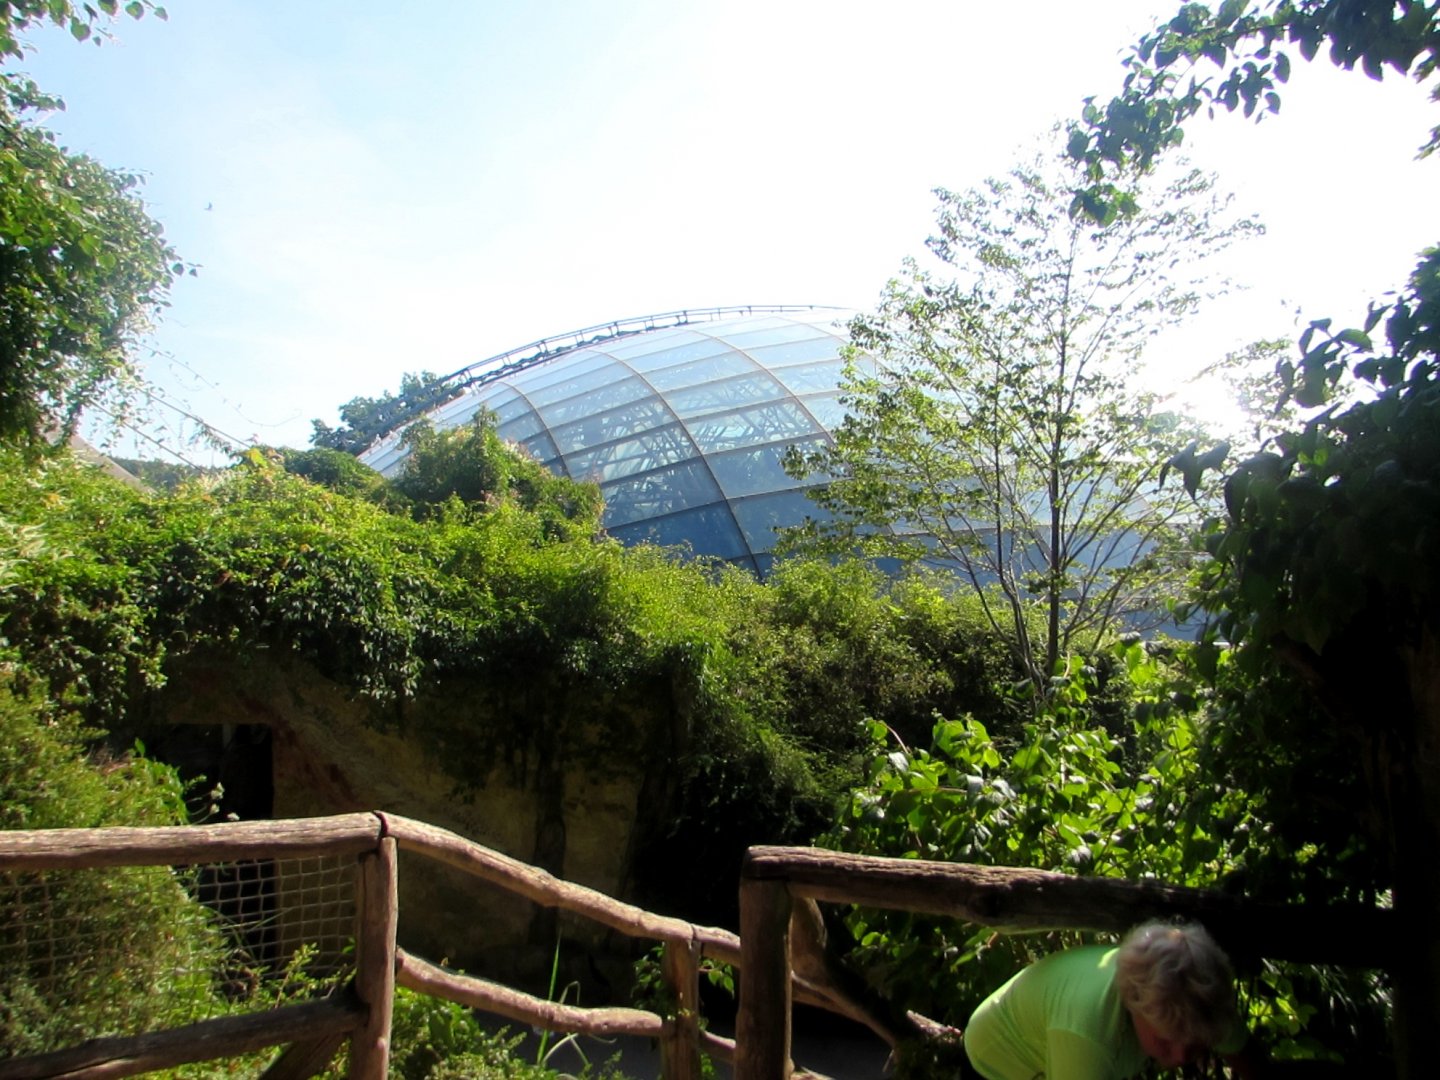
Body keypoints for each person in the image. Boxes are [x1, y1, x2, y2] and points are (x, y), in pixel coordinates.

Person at [961, 920, 1264, 1079]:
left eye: (1196, 1042)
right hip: (999, 1063)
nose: (1182, 1056)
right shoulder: (1087, 1030)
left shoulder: (1201, 1001)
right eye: (1166, 1040)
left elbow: (1251, 1062)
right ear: (1134, 1003)